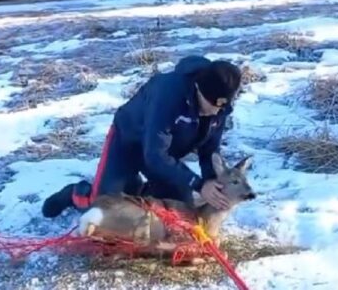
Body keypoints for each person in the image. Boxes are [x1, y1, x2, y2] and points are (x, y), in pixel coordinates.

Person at [41, 55, 242, 218]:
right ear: (198, 89)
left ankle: (136, 190)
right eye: (213, 105)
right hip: (128, 142)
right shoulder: (168, 95)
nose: (217, 112)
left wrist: (212, 184)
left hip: (165, 153)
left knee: (181, 210)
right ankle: (75, 193)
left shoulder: (219, 108)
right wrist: (198, 184)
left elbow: (209, 151)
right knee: (102, 209)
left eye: (222, 107)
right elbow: (154, 155)